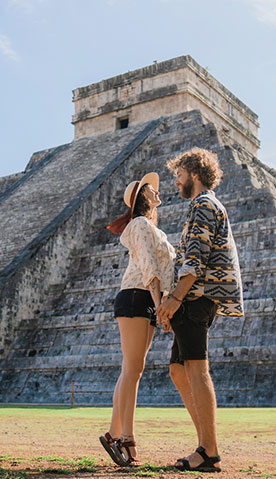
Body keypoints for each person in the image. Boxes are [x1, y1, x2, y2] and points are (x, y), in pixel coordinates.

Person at [156, 148, 243, 473]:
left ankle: (209, 451)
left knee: (196, 370)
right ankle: (205, 444)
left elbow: (195, 260)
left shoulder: (203, 205)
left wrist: (174, 299)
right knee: (178, 372)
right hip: (193, 299)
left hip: (195, 299)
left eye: (178, 174)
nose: (175, 182)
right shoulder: (203, 205)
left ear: (193, 172)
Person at [100, 172, 176, 467]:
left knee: (132, 370)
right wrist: (161, 306)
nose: (158, 193)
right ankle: (126, 440)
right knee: (132, 371)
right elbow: (149, 266)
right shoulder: (141, 224)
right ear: (143, 197)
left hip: (144, 297)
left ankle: (113, 433)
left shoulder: (149, 226)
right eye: (152, 191)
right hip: (136, 295)